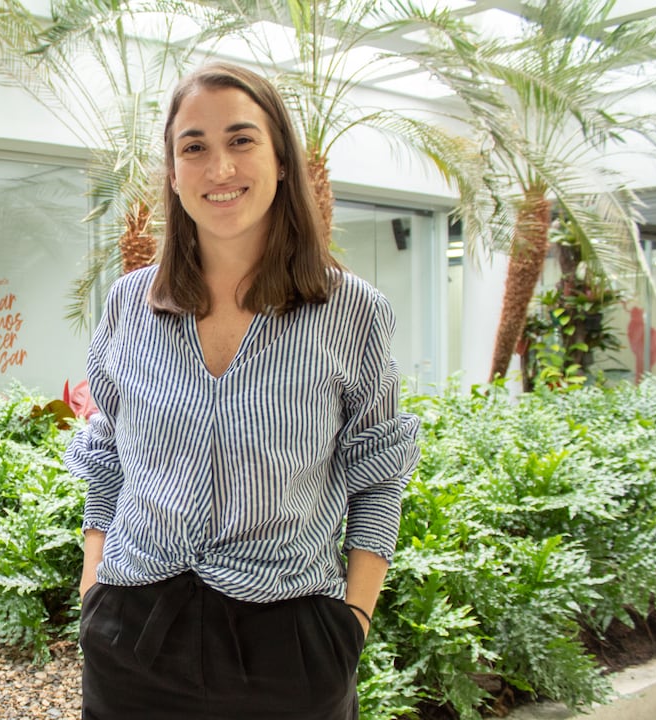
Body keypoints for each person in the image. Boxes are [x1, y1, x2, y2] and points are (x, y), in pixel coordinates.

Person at [63, 62, 420, 719]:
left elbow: (378, 475)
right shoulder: (127, 307)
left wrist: (353, 626)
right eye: (193, 147)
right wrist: (94, 590)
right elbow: (108, 453)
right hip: (134, 638)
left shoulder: (352, 313)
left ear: (281, 159)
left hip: (290, 649)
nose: (218, 167)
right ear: (172, 172)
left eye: (241, 140)